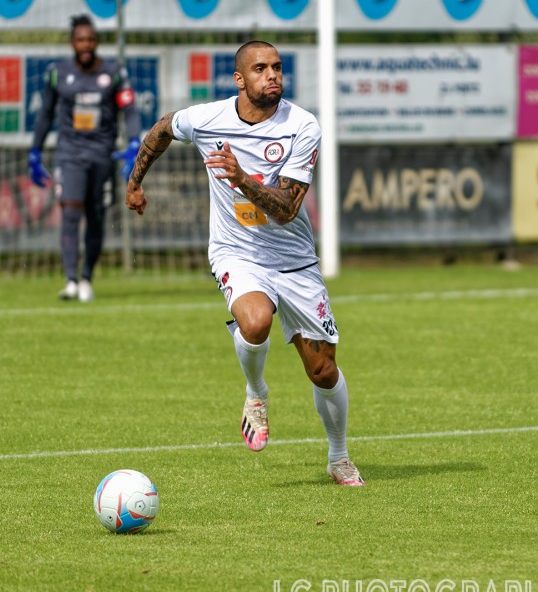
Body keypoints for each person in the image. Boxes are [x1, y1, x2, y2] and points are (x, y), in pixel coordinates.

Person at [124, 40, 364, 486]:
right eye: (260, 69)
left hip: (294, 260)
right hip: (237, 252)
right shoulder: (207, 118)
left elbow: (287, 209)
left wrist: (240, 177)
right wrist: (135, 182)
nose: (272, 75)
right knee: (254, 322)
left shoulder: (302, 126)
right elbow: (161, 130)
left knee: (323, 370)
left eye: (276, 67)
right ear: (240, 79)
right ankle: (256, 392)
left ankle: (338, 456)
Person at [28, 14, 142, 303]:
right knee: (70, 212)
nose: (86, 44)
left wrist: (133, 141)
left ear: (96, 42)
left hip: (102, 155)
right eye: (80, 39)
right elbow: (45, 114)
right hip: (70, 154)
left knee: (96, 216)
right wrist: (35, 151)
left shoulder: (114, 73)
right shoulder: (58, 72)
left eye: (90, 39)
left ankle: (87, 278)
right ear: (72, 42)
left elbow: (128, 110)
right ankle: (70, 280)